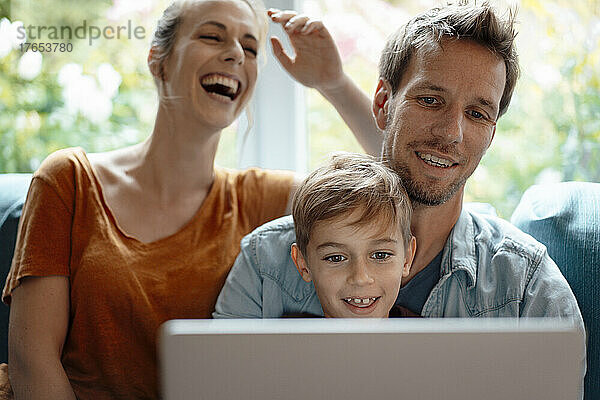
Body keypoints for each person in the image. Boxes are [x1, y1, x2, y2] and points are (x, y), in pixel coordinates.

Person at [1, 1, 377, 399]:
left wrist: (332, 83)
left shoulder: (262, 199)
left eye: (250, 49)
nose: (235, 53)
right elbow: (32, 359)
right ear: (158, 61)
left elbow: (403, 192)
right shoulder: (68, 180)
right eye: (212, 36)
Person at [213, 3, 585, 394]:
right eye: (430, 100)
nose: (452, 133)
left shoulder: (527, 289)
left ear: (492, 133)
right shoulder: (265, 264)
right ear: (382, 105)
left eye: (477, 114)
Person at [289, 152, 416, 318]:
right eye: (336, 258)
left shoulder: (434, 341)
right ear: (303, 264)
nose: (360, 278)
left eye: (380, 255)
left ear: (406, 258)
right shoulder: (280, 341)